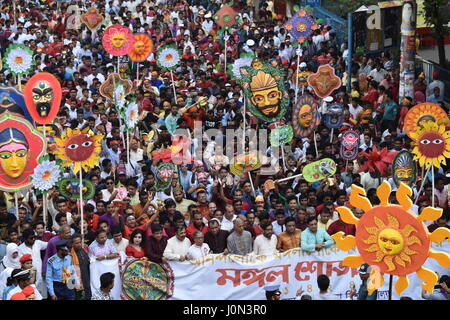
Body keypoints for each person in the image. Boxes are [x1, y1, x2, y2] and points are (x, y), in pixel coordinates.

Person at [71, 233, 91, 300]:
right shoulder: (70, 255)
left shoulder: (84, 249)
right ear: (72, 244)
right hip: (78, 281)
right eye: (76, 243)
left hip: (87, 278)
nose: (79, 244)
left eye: (80, 242)